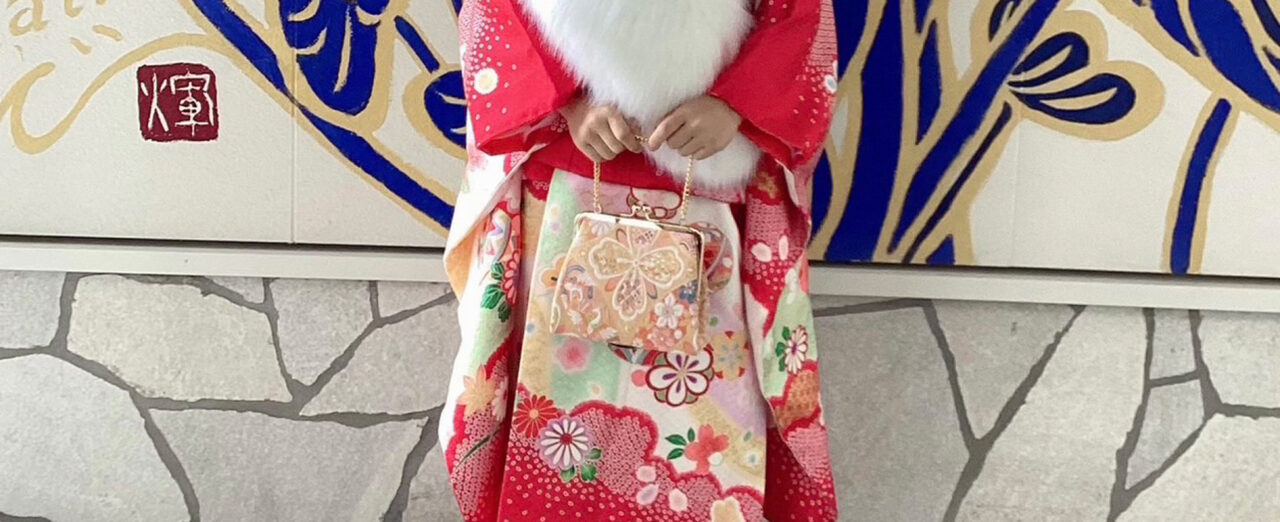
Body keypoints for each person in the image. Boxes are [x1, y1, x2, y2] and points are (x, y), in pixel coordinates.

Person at [440, 1, 839, 520]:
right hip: (567, 190)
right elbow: (498, 11)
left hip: (706, 187)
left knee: (705, 407)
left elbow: (800, 15)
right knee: (548, 401)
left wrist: (738, 104)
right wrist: (571, 105)